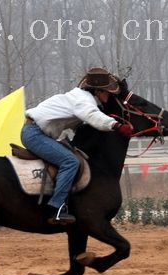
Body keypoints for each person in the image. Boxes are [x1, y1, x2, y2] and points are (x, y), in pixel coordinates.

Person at [21, 67, 133, 225]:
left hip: (36, 132)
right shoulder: (84, 101)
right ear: (98, 91)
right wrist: (117, 126)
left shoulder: (80, 99)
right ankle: (57, 208)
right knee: (70, 161)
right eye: (107, 91)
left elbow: (80, 124)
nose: (109, 94)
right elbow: (93, 116)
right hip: (35, 135)